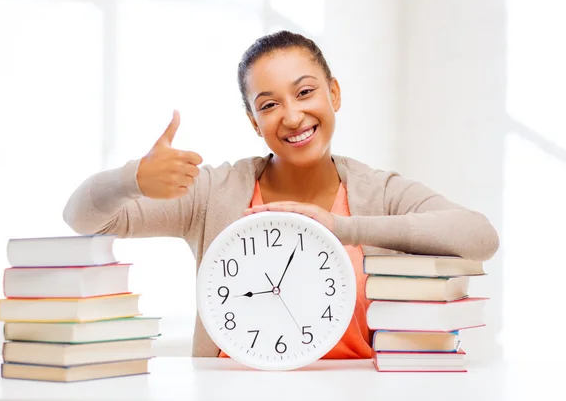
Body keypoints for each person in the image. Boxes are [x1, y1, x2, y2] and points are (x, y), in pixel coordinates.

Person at [63, 30, 500, 359]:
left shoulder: (378, 192)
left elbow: (480, 237)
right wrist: (132, 179)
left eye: (305, 92)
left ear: (334, 93)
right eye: (269, 104)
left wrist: (343, 228)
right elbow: (83, 218)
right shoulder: (214, 194)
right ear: (254, 122)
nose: (292, 116)